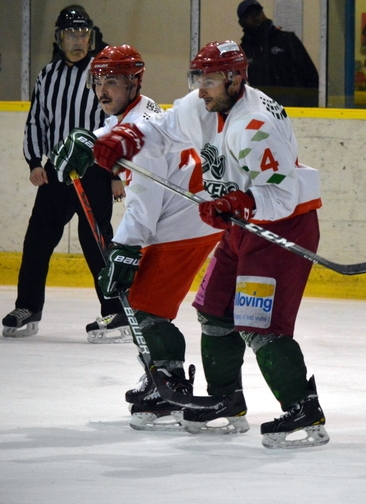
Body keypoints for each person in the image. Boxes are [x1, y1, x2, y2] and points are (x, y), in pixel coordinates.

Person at [90, 41, 329, 448]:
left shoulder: (254, 125)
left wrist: (240, 200)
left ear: (236, 79)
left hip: (282, 227)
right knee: (214, 313)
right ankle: (225, 400)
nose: (201, 89)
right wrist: (125, 135)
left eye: (211, 80)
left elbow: (283, 193)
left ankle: (302, 409)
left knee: (259, 325)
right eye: (197, 79)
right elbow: (163, 129)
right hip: (240, 222)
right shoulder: (207, 103)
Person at [50, 44, 223, 430]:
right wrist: (88, 142)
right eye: (98, 81)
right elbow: (112, 134)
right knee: (143, 304)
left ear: (134, 83)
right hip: (180, 218)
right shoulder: (135, 114)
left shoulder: (140, 134)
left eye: (112, 81)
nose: (102, 90)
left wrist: (125, 250)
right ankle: (160, 377)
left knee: (145, 306)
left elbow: (144, 205)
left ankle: (170, 385)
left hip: (183, 222)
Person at [2, 6, 126, 341]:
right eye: (71, 33)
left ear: (92, 36)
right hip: (57, 171)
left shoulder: (103, 75)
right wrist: (34, 162)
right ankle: (28, 306)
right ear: (59, 37)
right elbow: (36, 120)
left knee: (96, 240)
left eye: (83, 33)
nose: (78, 40)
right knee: (38, 238)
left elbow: (116, 124)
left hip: (95, 170)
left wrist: (115, 171)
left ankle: (115, 311)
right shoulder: (47, 75)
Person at [237, 0, 319, 107]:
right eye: (249, 16)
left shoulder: (287, 40)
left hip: (294, 107)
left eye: (257, 12)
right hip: (262, 108)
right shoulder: (244, 50)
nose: (255, 17)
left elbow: (310, 74)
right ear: (242, 23)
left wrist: (310, 104)